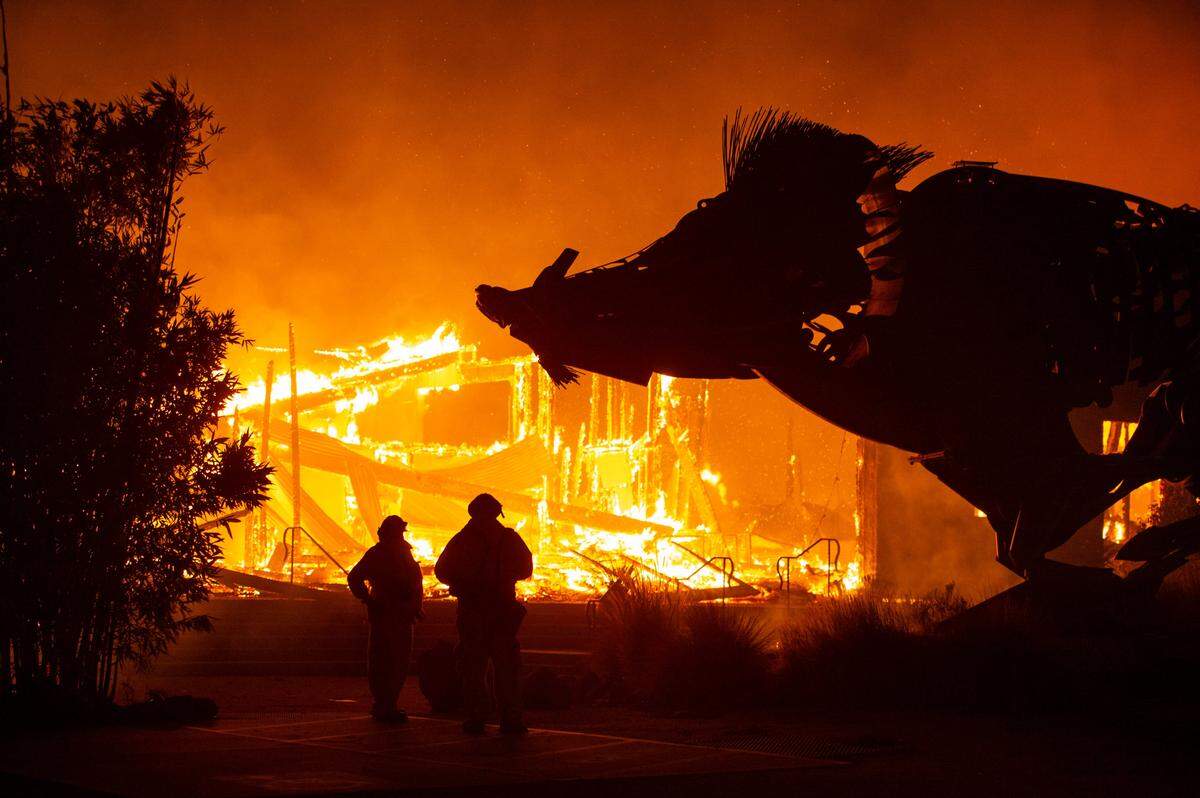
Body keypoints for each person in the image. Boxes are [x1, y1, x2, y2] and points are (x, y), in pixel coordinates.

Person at [434, 493, 533, 734]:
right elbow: (526, 568)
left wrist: (465, 581)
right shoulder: (509, 538)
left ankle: (477, 717)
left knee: (473, 666)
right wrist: (503, 577)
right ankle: (510, 719)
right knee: (506, 667)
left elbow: (441, 570)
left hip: (473, 610)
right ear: (497, 512)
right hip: (502, 610)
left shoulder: (462, 540)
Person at [348, 515, 424, 722]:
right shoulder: (378, 554)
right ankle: (383, 704)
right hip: (385, 615)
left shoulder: (402, 553)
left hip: (403, 615)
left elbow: (415, 583)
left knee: (398, 661)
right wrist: (368, 600)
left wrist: (416, 606)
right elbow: (354, 578)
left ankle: (389, 703)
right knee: (383, 661)